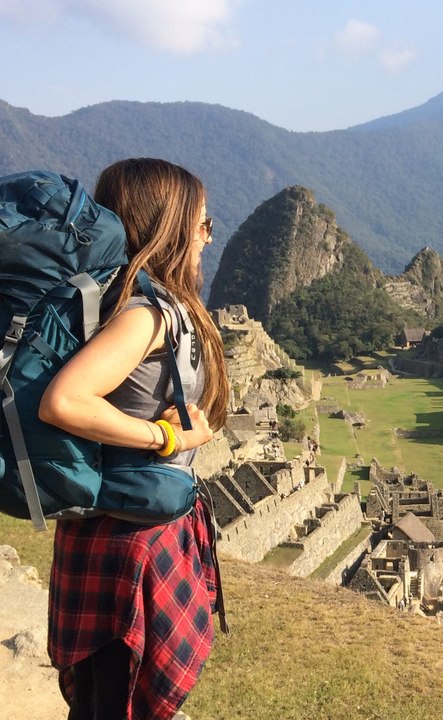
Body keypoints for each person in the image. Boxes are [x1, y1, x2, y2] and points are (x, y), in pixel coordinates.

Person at [38, 158, 231, 720]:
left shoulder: (147, 306)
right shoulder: (146, 315)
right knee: (110, 706)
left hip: (130, 531)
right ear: (169, 227)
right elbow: (64, 400)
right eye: (201, 223)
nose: (206, 237)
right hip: (125, 549)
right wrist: (165, 437)